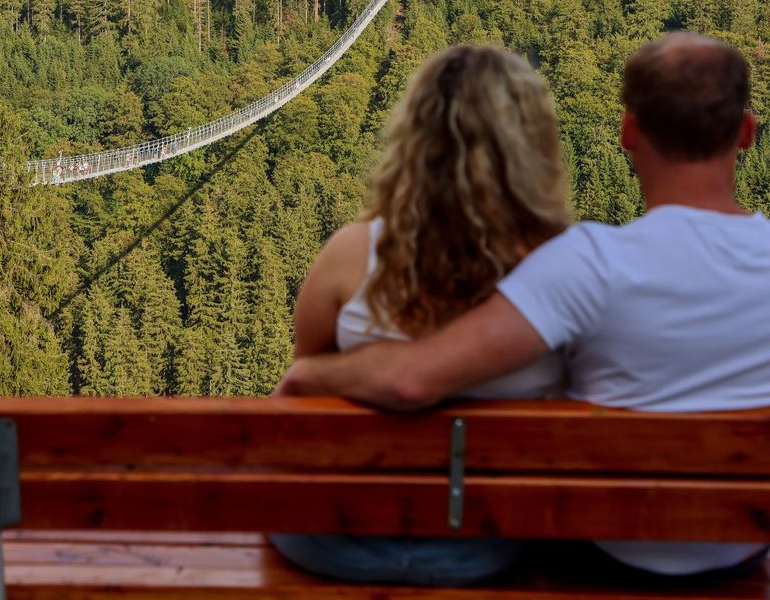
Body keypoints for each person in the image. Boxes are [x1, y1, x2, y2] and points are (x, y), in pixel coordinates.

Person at [278, 32, 770, 581]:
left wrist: (308, 377)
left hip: (350, 538)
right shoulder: (561, 255)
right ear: (747, 133)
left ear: (629, 131)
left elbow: (406, 380)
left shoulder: (588, 264)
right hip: (729, 549)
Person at [271, 44, 572, 587]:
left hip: (338, 538)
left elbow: (304, 397)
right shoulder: (567, 269)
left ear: (411, 143)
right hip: (494, 541)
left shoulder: (349, 255)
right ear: (531, 148)